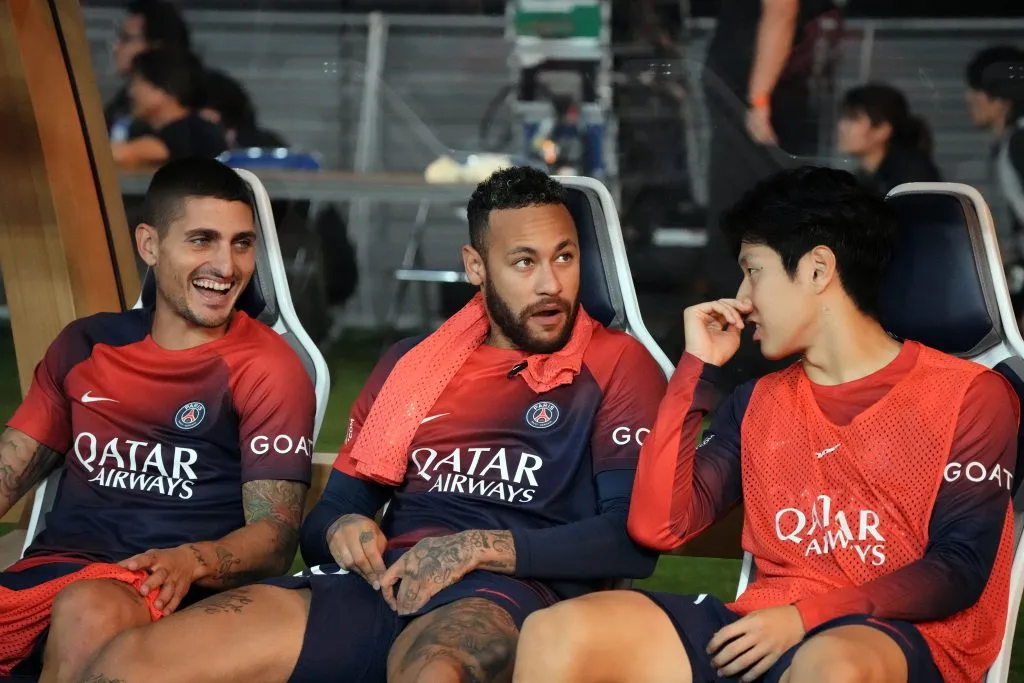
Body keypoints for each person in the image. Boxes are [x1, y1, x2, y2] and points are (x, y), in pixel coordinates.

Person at [77, 166, 666, 683]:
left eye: (564, 257)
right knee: (128, 664)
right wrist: (342, 531)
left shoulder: (617, 364)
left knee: (436, 673)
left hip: (502, 593)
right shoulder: (415, 364)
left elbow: (629, 542)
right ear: (475, 267)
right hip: (373, 587)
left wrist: (477, 549)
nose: (551, 284)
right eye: (524, 262)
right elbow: (325, 521)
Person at [512, 167, 1019, 683]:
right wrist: (695, 368)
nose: (743, 297)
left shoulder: (972, 396)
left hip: (896, 636)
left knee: (832, 666)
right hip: (762, 627)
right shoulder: (758, 402)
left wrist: (806, 618)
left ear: (819, 270)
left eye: (753, 270)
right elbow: (658, 526)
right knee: (557, 632)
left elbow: (958, 569)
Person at [0, 157, 316, 682]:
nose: (227, 265)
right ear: (149, 245)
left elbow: (275, 536)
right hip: (51, 576)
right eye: (201, 240)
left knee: (88, 609)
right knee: (81, 603)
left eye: (241, 243)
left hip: (173, 591)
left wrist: (191, 561)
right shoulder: (87, 345)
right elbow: (10, 469)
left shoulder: (265, 367)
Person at [964, 46, 1024, 315]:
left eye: (976, 90)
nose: (968, 98)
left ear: (1001, 99)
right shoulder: (1011, 142)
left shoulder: (1019, 143)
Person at [112, 49, 227, 170]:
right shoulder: (145, 130)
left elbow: (123, 154)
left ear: (164, 88)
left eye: (138, 82)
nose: (131, 92)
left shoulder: (193, 133)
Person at [105, 0, 192, 142]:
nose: (116, 48)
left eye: (126, 38)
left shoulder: (195, 109)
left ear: (157, 46)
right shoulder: (120, 106)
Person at [837, 83, 941, 195]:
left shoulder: (910, 182)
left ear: (882, 129)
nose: (842, 126)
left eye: (853, 119)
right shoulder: (865, 178)